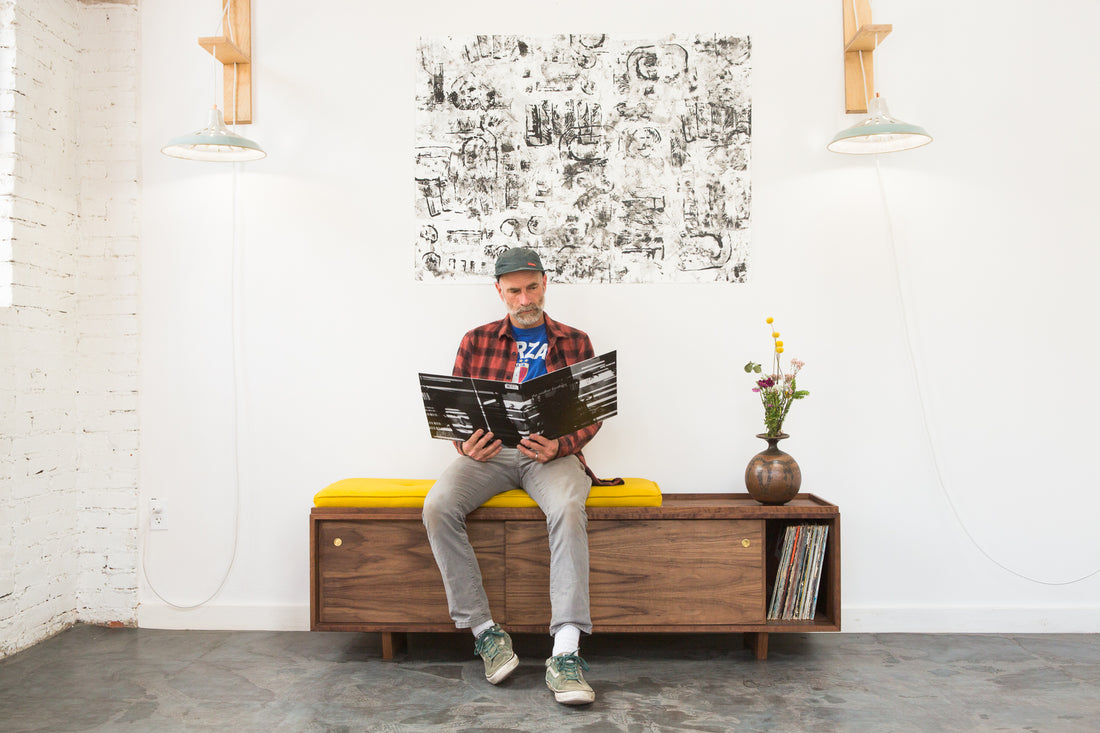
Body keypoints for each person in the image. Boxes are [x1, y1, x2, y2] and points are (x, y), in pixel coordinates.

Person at [422, 247, 604, 706]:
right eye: (514, 291)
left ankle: (565, 652)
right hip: (493, 455)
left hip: (552, 454)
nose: (525, 298)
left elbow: (593, 413)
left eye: (532, 287)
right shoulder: (475, 340)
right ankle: (484, 631)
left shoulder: (576, 340)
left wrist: (561, 445)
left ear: (545, 283)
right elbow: (456, 411)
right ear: (499, 292)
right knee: (438, 505)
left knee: (566, 506)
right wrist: (465, 444)